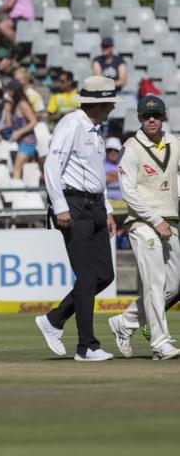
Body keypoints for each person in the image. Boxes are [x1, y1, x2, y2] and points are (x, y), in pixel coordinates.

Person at [36, 75, 120, 362]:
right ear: (100, 103)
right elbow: (52, 165)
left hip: (95, 206)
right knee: (86, 276)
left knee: (104, 275)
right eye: (109, 102)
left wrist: (107, 209)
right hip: (74, 205)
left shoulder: (96, 129)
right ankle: (87, 347)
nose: (112, 107)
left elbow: (98, 175)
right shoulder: (72, 123)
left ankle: (55, 319)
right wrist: (60, 206)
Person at [108, 96, 180, 361]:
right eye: (147, 116)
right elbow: (128, 192)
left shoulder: (174, 143)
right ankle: (160, 344)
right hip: (142, 224)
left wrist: (165, 221)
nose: (152, 119)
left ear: (163, 117)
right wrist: (154, 219)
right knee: (155, 282)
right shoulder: (131, 148)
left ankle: (125, 323)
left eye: (157, 115)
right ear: (139, 118)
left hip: (170, 223)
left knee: (174, 285)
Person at [5, 80, 37, 179]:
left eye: (9, 90)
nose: (7, 93)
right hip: (20, 142)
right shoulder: (13, 104)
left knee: (16, 169)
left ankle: (16, 193)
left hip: (28, 142)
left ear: (14, 91)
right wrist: (7, 110)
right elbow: (9, 124)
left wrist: (19, 132)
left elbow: (33, 121)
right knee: (19, 170)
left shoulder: (23, 104)